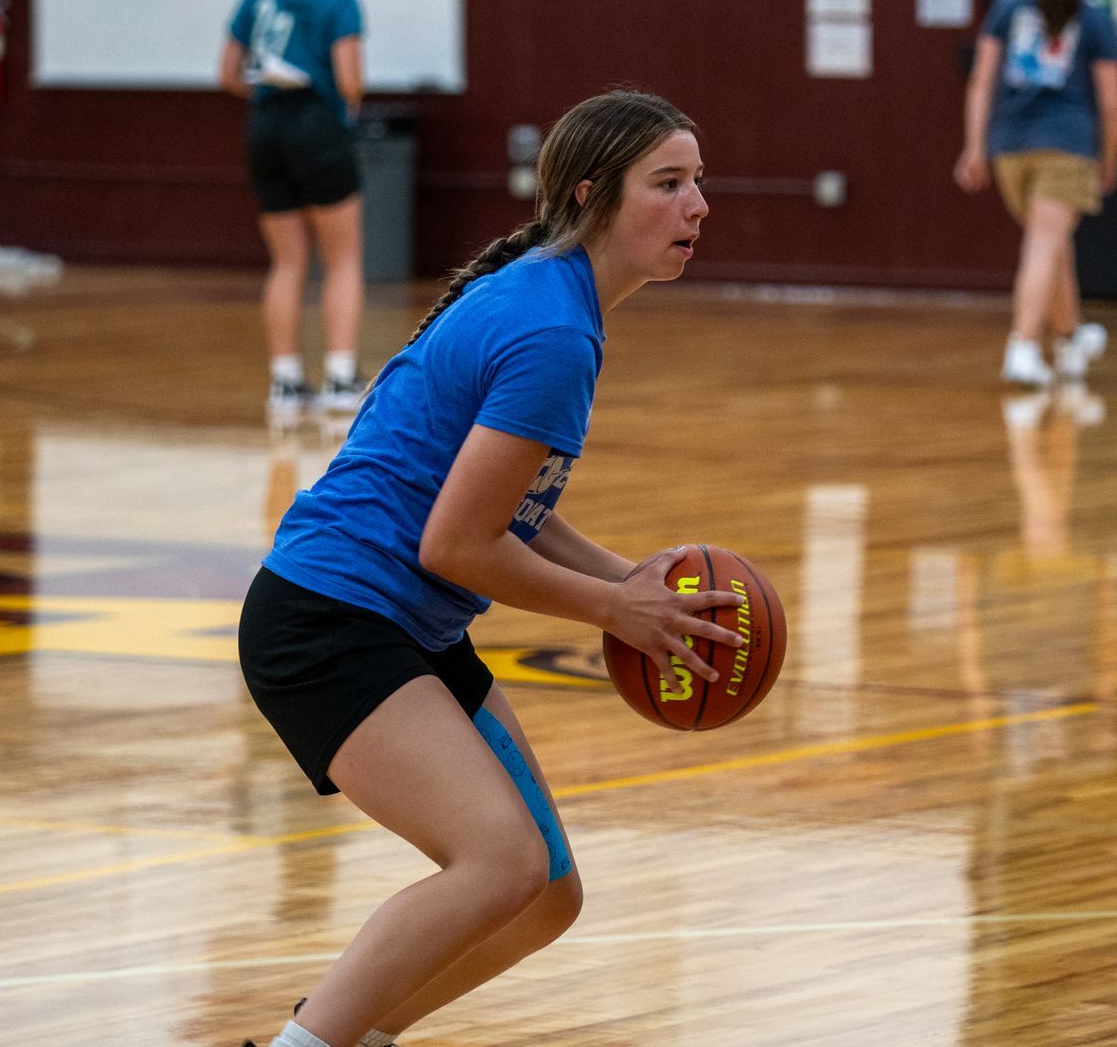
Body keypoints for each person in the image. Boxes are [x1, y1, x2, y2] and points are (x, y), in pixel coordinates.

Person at [237, 90, 746, 1047]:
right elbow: (458, 545)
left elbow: (505, 504)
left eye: (698, 182)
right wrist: (615, 610)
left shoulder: (552, 298)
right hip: (329, 619)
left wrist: (627, 581)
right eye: (669, 183)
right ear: (593, 195)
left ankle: (350, 1038)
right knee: (499, 861)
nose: (697, 206)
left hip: (405, 625)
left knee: (545, 892)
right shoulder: (552, 330)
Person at [955, 0, 1117, 387]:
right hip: (1066, 145)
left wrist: (975, 146)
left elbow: (980, 82)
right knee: (1045, 245)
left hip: (1009, 146)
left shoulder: (1008, 7)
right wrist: (1110, 159)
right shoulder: (1094, 18)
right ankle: (1023, 346)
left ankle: (1070, 340)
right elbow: (1112, 105)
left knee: (1051, 246)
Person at [221, 0, 368, 423]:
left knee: (286, 261)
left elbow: (228, 74)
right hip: (316, 125)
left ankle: (285, 383)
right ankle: (340, 378)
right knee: (343, 257)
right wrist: (343, 103)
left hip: (265, 126)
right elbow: (349, 80)